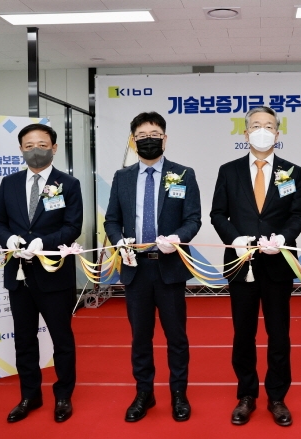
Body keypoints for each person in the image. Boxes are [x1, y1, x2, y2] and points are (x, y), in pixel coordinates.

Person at [211, 106, 301, 427]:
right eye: (256, 125)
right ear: (246, 132)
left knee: (279, 334)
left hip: (278, 263)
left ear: (277, 133)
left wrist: (284, 237)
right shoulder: (229, 171)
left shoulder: (292, 171)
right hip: (241, 264)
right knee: (243, 333)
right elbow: (217, 214)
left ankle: (277, 397)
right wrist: (234, 239)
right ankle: (246, 395)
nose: (262, 130)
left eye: (268, 126)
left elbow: (298, 215)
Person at [104, 111, 201, 423]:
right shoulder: (122, 178)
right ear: (133, 141)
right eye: (142, 136)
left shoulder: (183, 174)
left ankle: (179, 393)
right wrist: (118, 241)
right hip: (135, 269)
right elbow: (112, 220)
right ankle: (144, 392)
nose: (149, 140)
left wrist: (178, 238)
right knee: (140, 338)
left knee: (176, 337)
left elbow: (193, 219)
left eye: (154, 135)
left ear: (165, 139)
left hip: (169, 267)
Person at [0, 123, 83, 423]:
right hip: (18, 274)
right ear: (20, 149)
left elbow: (72, 226)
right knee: (24, 339)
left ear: (54, 148)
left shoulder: (68, 184)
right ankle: (29, 395)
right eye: (29, 146)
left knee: (61, 339)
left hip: (54, 275)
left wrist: (45, 242)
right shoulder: (9, 183)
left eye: (42, 145)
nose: (35, 151)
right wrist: (8, 240)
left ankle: (63, 395)